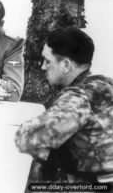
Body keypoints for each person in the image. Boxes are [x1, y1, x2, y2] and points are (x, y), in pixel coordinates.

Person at [15, 27, 113, 183]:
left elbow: (27, 137)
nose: (43, 67)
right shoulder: (106, 84)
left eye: (47, 61)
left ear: (66, 65)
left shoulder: (79, 96)